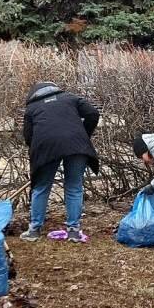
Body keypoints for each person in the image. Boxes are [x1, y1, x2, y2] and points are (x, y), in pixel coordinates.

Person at [20, 82, 100, 243]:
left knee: (41, 187)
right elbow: (93, 113)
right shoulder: (70, 98)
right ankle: (73, 231)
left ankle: (34, 230)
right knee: (74, 186)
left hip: (46, 147)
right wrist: (84, 134)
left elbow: (28, 137)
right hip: (76, 145)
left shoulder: (32, 108)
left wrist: (40, 149)